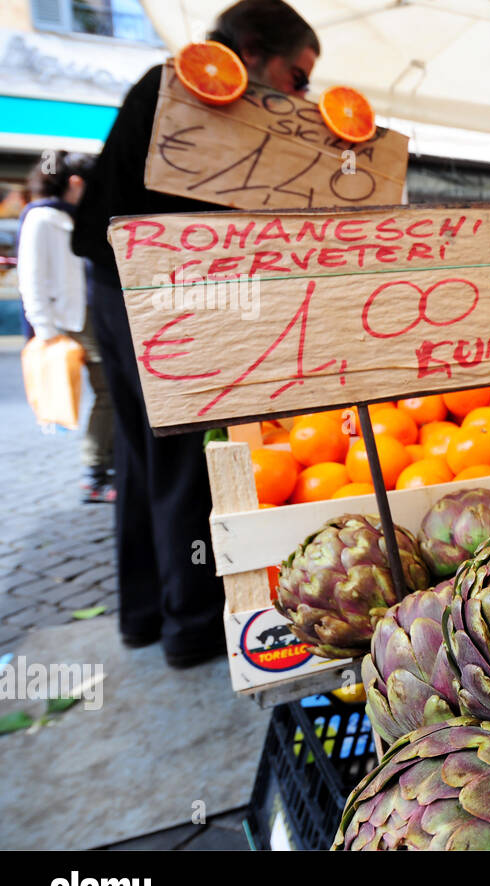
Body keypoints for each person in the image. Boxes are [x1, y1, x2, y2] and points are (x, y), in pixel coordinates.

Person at [71, 0, 320, 668]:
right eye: (298, 78)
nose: (300, 95)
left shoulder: (159, 86)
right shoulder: (193, 95)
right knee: (185, 453)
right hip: (151, 284)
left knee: (142, 452)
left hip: (113, 277)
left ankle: (145, 615)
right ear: (256, 52)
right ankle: (192, 624)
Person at [17, 153, 116, 503]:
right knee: (108, 393)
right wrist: (45, 331)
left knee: (111, 392)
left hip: (90, 314)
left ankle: (106, 465)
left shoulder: (69, 217)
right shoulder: (43, 218)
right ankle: (96, 472)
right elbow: (30, 279)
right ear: (75, 183)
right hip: (73, 321)